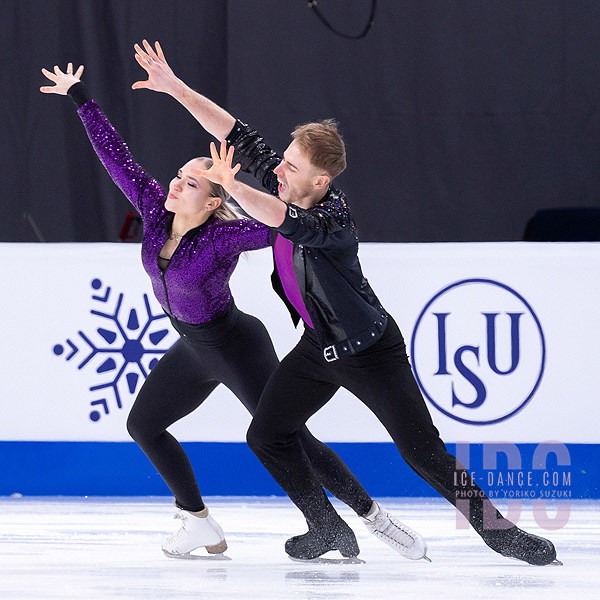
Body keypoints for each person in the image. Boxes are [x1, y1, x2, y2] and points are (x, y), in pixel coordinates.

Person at [132, 40, 560, 566]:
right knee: (267, 434)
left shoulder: (329, 222)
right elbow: (233, 131)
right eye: (282, 163)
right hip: (318, 348)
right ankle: (326, 527)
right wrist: (174, 88)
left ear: (322, 181)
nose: (279, 170)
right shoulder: (287, 185)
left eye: (290, 168)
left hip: (368, 349)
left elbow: (276, 220)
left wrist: (231, 184)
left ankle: (500, 533)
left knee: (422, 455)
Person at [40, 61, 427, 562]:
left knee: (292, 438)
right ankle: (198, 521)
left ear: (213, 203)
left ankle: (373, 519)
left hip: (236, 344)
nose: (177, 184)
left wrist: (302, 208)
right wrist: (82, 99)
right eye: (180, 176)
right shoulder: (156, 212)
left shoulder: (224, 236)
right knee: (144, 425)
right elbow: (116, 155)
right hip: (195, 348)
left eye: (193, 184)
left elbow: (285, 223)